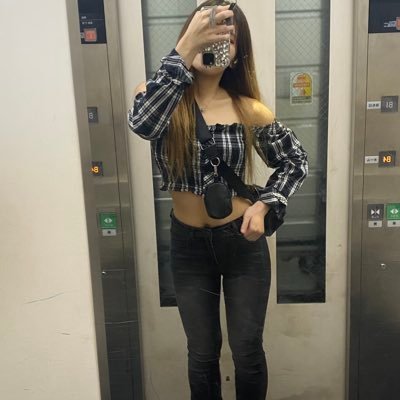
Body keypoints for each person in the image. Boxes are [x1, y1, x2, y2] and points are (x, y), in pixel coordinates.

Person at [128, 1, 308, 399]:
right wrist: (185, 48)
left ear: (238, 51)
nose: (214, 43)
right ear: (189, 35)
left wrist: (266, 202)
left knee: (247, 351)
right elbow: (143, 125)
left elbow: (295, 160)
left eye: (226, 36)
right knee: (202, 354)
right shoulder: (157, 98)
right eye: (206, 31)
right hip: (188, 246)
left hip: (241, 242)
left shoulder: (248, 109)